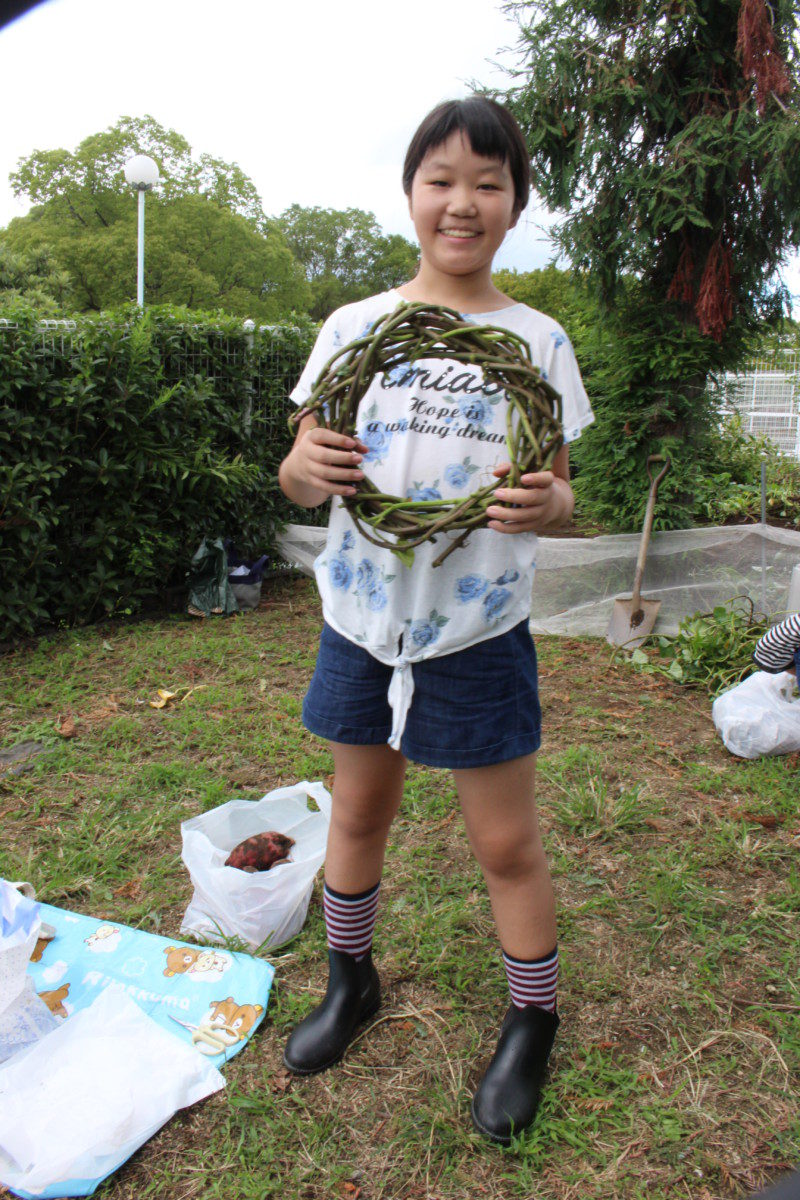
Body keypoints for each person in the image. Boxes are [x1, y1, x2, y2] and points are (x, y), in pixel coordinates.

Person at [277, 95, 594, 1144]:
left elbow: (557, 491)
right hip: (363, 622)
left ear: (513, 204)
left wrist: (551, 505)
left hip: (476, 633)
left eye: (488, 182)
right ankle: (348, 980)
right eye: (441, 180)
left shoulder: (536, 340)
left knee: (503, 843)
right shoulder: (353, 329)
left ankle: (530, 1022)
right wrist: (300, 469)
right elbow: (298, 468)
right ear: (411, 193)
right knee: (356, 815)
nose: (462, 202)